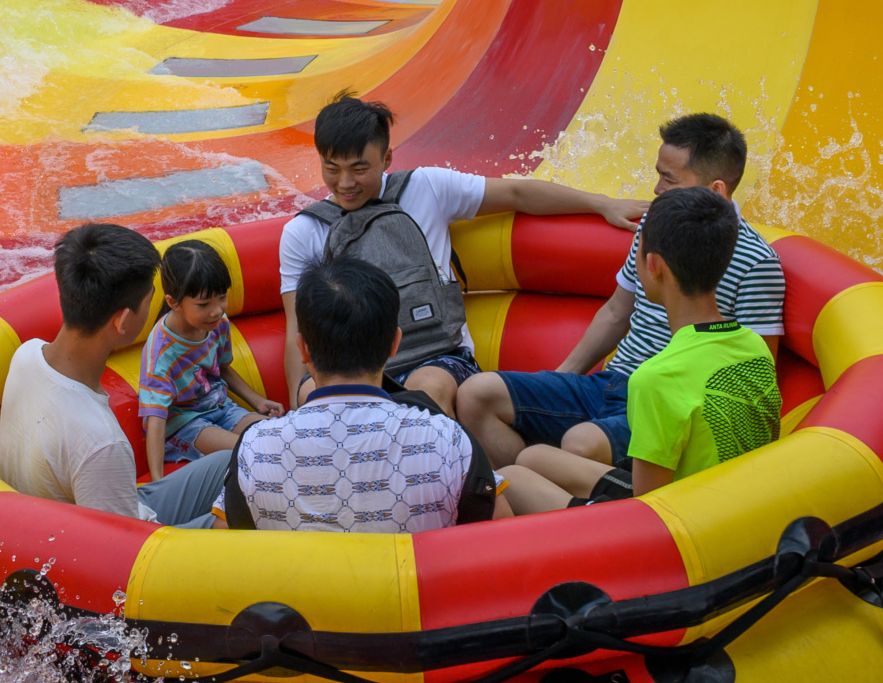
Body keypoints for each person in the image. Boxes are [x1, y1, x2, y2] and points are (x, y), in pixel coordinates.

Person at [280, 92, 646, 415]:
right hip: (349, 367)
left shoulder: (427, 188)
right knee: (318, 397)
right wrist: (299, 399)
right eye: (333, 169)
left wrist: (600, 203)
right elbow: (299, 326)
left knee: (426, 389)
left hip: (437, 356)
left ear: (387, 158)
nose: (345, 183)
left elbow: (517, 194)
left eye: (359, 169)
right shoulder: (303, 232)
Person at [457, 112, 784, 470]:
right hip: (614, 382)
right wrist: (562, 376)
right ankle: (532, 491)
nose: (657, 188)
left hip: (666, 403)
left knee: (576, 448)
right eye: (658, 174)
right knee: (476, 395)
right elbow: (616, 312)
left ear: (716, 189)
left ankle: (548, 491)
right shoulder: (655, 224)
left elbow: (752, 372)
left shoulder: (755, 261)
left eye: (668, 179)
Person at [505, 187, 782, 512]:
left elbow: (648, 512)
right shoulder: (754, 346)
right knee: (532, 457)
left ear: (654, 266)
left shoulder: (656, 379)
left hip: (683, 522)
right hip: (736, 503)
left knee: (511, 477)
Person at [226, 257, 510, 533]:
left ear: (302, 349)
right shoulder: (449, 441)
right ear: (394, 344)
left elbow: (227, 546)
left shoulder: (253, 448)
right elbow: (500, 540)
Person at [0, 223, 232, 528]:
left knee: (238, 459)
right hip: (119, 547)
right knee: (247, 512)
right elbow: (123, 555)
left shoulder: (26, 354)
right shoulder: (101, 442)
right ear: (122, 321)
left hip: (92, 510)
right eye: (150, 302)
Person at [140, 239, 283, 482]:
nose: (217, 310)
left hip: (220, 408)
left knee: (278, 439)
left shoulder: (217, 323)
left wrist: (257, 401)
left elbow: (222, 368)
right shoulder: (162, 351)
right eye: (204, 304)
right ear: (173, 302)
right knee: (251, 452)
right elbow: (155, 417)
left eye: (221, 297)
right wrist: (157, 482)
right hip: (185, 424)